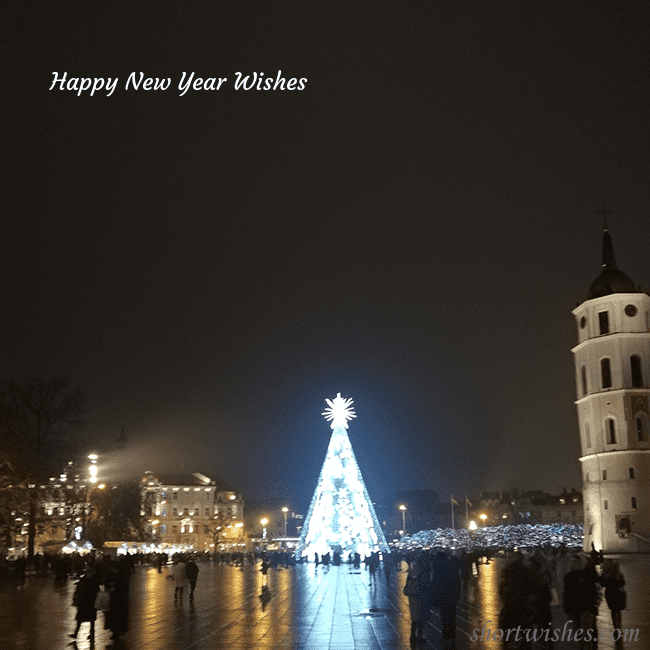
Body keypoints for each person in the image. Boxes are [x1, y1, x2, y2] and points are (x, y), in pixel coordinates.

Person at [563, 554, 600, 649]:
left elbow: (594, 592)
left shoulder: (588, 575)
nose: (573, 563)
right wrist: (566, 608)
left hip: (586, 610)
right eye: (572, 561)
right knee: (578, 634)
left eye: (575, 561)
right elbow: (566, 593)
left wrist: (592, 608)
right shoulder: (568, 576)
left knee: (587, 635)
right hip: (573, 610)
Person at [406, 552, 434, 642]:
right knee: (422, 617)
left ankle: (413, 635)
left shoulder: (412, 571)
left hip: (413, 597)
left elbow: (408, 583)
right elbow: (427, 585)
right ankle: (420, 635)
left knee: (415, 617)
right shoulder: (424, 572)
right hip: (422, 596)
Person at [70, 568, 100, 642]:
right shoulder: (87, 580)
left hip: (90, 603)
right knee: (81, 619)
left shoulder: (92, 581)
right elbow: (78, 590)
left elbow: (97, 591)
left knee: (91, 620)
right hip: (84, 602)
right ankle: (76, 633)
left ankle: (91, 634)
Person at [600, 559, 626, 630]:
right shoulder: (617, 573)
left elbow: (603, 584)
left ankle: (616, 626)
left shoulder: (609, 574)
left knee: (614, 611)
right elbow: (622, 583)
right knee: (616, 611)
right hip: (615, 594)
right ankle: (618, 626)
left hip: (613, 594)